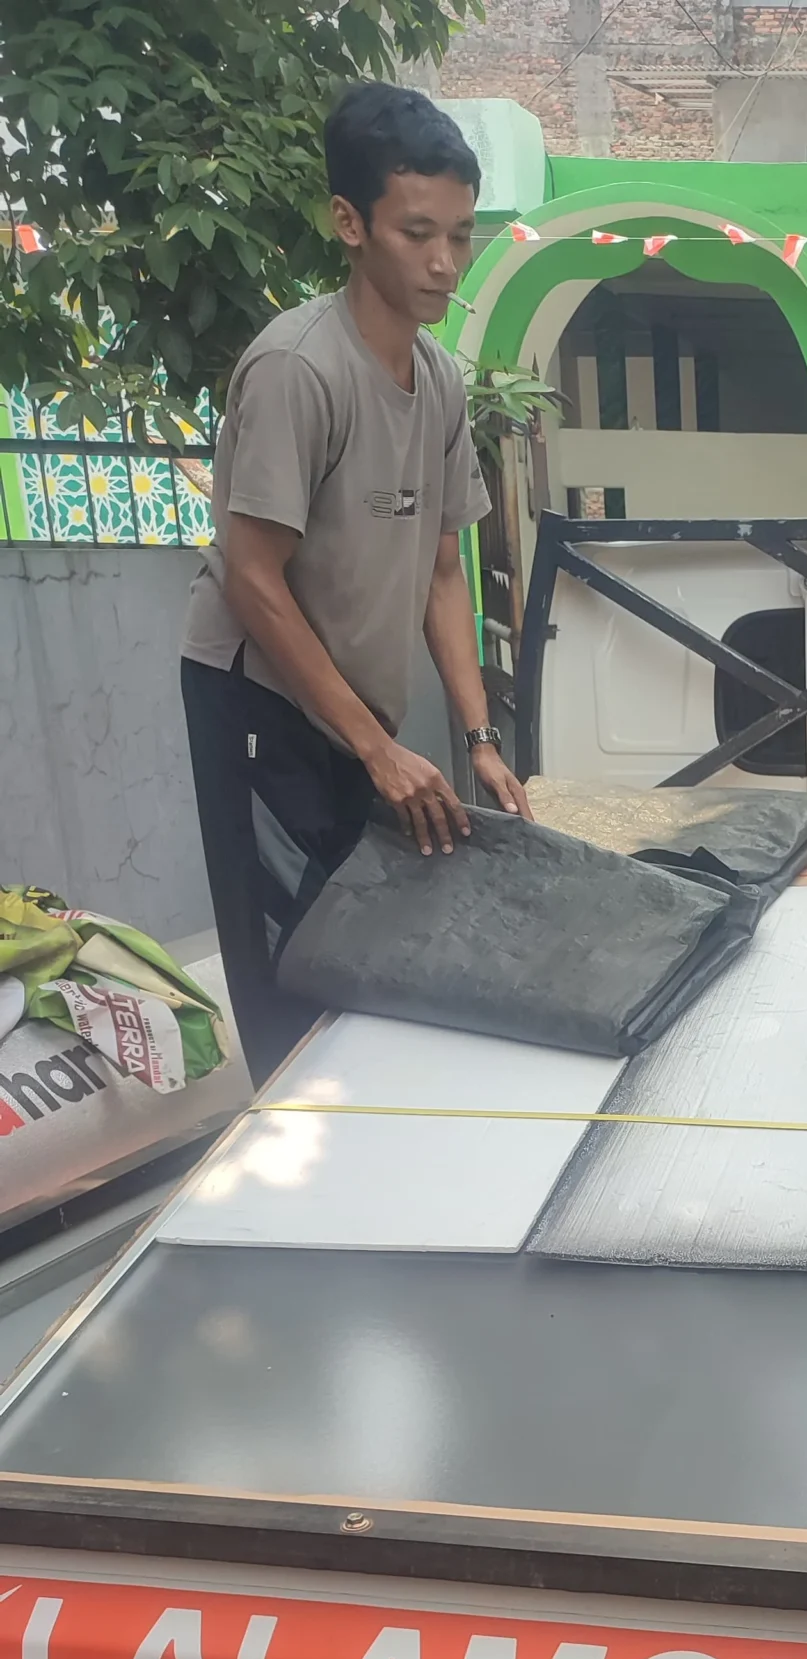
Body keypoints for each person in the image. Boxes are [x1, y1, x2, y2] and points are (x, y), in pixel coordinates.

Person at [180, 81, 531, 1076]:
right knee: (292, 959)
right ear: (349, 223)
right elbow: (253, 579)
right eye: (417, 233)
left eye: (460, 234)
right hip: (258, 698)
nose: (444, 262)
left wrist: (478, 738)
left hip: (356, 711)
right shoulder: (298, 370)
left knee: (369, 938)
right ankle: (289, 1144)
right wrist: (378, 751)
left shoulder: (442, 380)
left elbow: (442, 572)